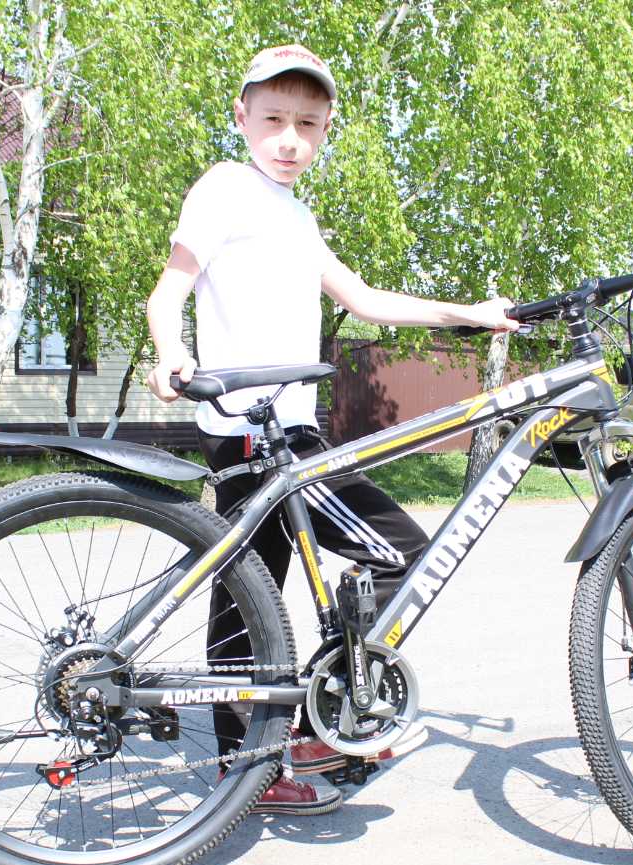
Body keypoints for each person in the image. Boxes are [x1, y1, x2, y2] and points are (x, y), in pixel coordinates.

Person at [146, 43, 518, 815]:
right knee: (404, 555)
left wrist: (469, 315)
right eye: (274, 119)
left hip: (283, 430)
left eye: (307, 125)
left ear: (325, 130)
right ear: (241, 116)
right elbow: (169, 289)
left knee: (249, 596)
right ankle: (320, 719)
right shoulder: (226, 188)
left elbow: (364, 298)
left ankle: (250, 764)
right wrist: (170, 351)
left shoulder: (297, 216)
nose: (289, 139)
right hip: (256, 431)